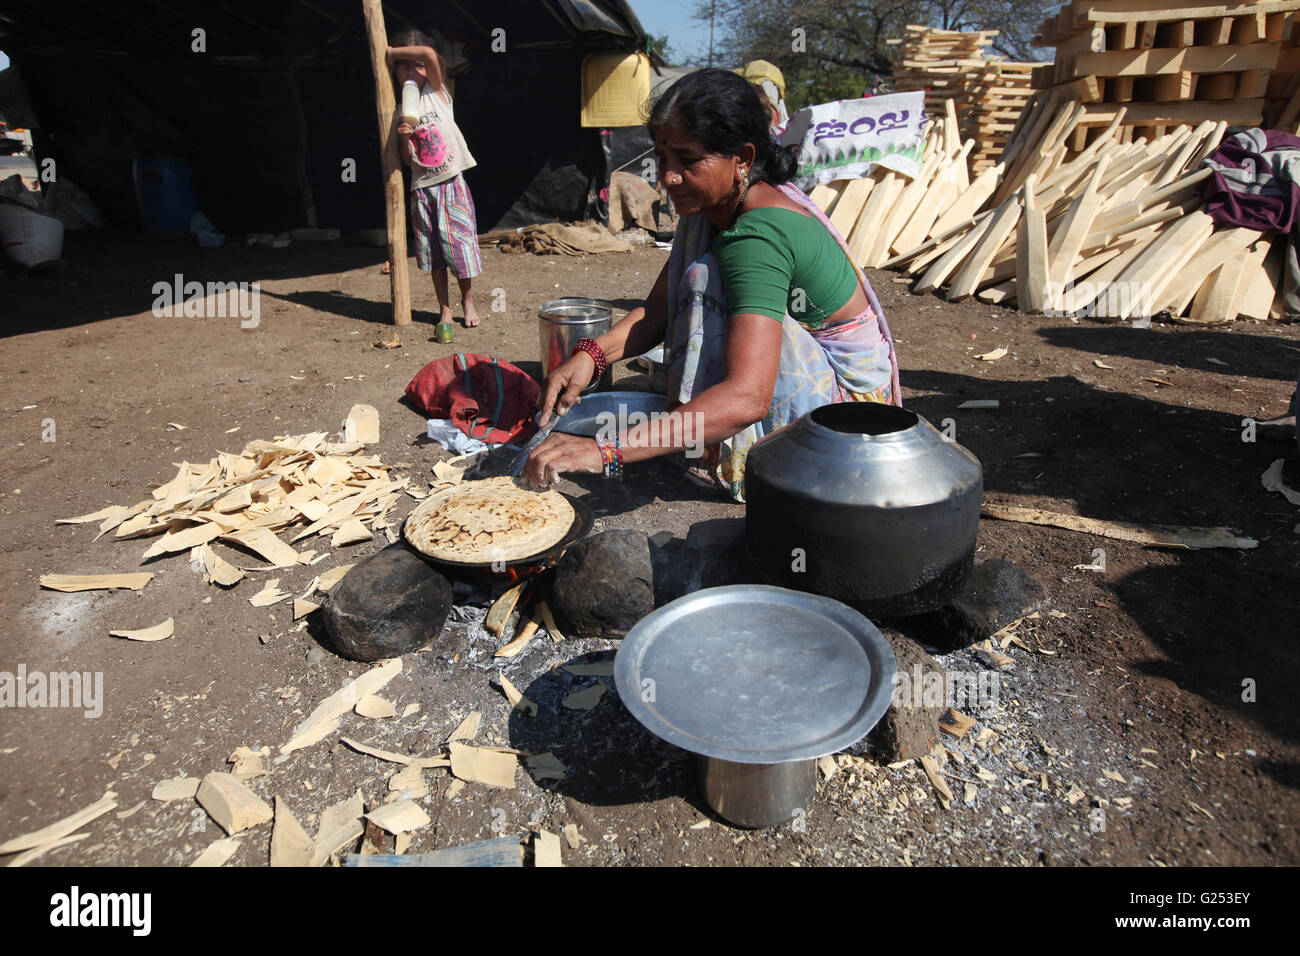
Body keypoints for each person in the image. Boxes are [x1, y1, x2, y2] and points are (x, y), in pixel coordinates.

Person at [525, 69, 900, 500]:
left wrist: (603, 450)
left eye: (688, 159)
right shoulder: (712, 212)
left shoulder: (757, 236)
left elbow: (748, 397)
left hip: (847, 424)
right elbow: (656, 316)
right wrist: (591, 356)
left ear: (741, 158)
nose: (668, 176)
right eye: (663, 158)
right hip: (808, 393)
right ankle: (703, 432)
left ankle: (742, 456)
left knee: (705, 280)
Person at [387, 32, 482, 327]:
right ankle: (445, 308)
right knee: (434, 254)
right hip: (423, 190)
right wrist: (404, 137)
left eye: (418, 65)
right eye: (404, 66)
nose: (413, 71)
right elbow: (407, 160)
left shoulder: (437, 93)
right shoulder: (399, 110)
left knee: (460, 248)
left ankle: (468, 301)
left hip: (451, 183)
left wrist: (391, 52)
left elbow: (429, 53)